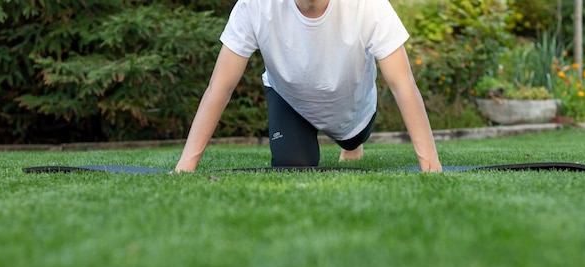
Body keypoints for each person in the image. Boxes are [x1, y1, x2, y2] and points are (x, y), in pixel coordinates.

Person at [174, 0, 442, 172]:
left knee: (353, 137)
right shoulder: (254, 5)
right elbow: (220, 86)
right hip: (290, 100)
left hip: (350, 107)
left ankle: (351, 145)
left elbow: (403, 84)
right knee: (293, 167)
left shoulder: (369, 6)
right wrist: (187, 164)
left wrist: (430, 165)